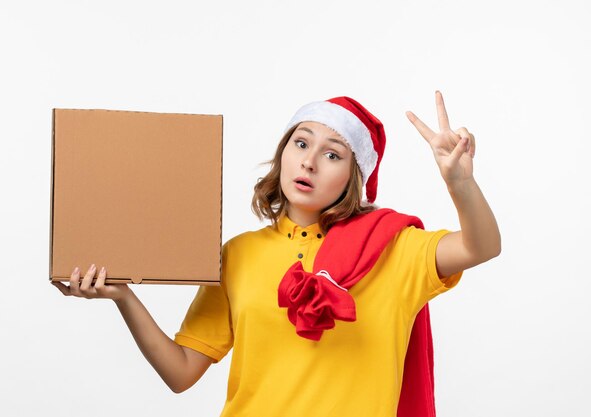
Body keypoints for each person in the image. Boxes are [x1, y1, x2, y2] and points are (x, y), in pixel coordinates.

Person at [52, 91, 501, 417]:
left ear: (354, 176)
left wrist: (460, 182)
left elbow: (481, 247)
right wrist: (125, 297)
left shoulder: (394, 249)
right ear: (283, 154)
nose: (309, 161)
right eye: (301, 143)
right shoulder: (240, 255)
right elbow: (181, 373)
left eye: (332, 154)